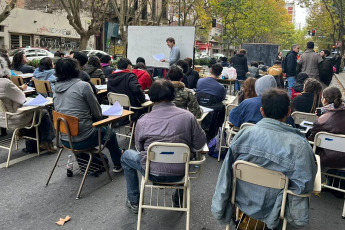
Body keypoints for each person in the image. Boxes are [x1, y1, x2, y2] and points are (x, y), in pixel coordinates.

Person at [212, 88, 316, 229]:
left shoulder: (244, 134)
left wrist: (220, 207)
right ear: (288, 112)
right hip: (277, 208)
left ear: (262, 111)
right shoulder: (300, 146)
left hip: (242, 198)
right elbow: (304, 185)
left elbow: (226, 173)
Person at [121, 79, 206, 213]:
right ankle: (178, 200)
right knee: (185, 155)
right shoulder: (188, 117)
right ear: (173, 95)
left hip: (151, 171)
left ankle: (134, 201)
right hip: (181, 172)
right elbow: (199, 145)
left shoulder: (143, 121)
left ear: (151, 96)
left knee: (126, 156)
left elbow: (140, 148)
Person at [53, 58, 123, 173]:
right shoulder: (83, 86)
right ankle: (118, 164)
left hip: (64, 138)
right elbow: (97, 112)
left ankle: (93, 162)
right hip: (84, 138)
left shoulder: (56, 88)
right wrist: (101, 121)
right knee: (110, 133)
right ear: (76, 70)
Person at [0, 56, 56, 153]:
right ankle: (46, 142)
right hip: (14, 118)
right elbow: (22, 98)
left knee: (35, 112)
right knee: (43, 112)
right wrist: (21, 89)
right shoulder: (5, 83)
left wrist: (19, 88)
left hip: (2, 118)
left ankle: (25, 135)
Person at [309, 87, 345, 168]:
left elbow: (313, 139)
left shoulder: (321, 121)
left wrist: (319, 119)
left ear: (324, 100)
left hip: (326, 160)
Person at [196, 64, 226, 140]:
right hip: (212, 111)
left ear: (210, 70)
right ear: (220, 74)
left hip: (199, 106)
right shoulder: (221, 87)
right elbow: (222, 98)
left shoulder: (200, 81)